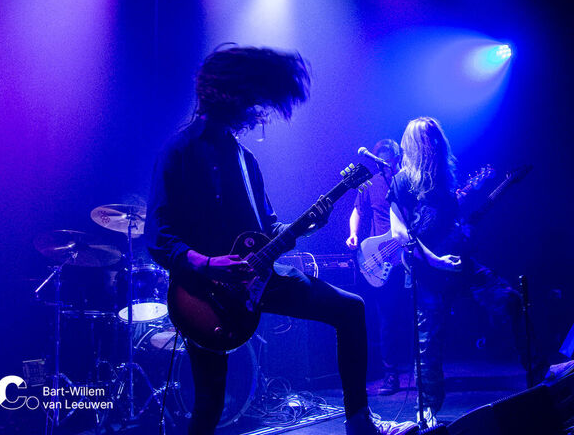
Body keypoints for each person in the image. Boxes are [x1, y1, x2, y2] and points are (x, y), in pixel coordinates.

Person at [146, 46, 418, 435]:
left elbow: (268, 228)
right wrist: (208, 264)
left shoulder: (245, 160)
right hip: (203, 294)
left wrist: (307, 226)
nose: (254, 107)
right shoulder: (178, 153)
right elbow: (158, 236)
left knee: (350, 308)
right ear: (226, 94)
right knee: (210, 402)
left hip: (260, 277)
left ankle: (359, 423)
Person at [388, 117, 547, 428]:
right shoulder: (402, 181)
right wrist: (436, 261)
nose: (434, 144)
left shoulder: (445, 179)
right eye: (427, 139)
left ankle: (541, 376)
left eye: (436, 138)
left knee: (511, 300)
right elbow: (400, 232)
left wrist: (463, 233)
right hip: (428, 271)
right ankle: (427, 410)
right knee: (429, 343)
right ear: (415, 144)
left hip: (462, 264)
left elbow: (452, 222)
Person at [346, 139, 407, 395]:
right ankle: (390, 375)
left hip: (408, 253)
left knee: (414, 313)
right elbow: (357, 211)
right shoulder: (371, 183)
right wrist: (353, 234)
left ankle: (422, 368)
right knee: (387, 319)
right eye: (379, 159)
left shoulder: (407, 180)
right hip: (382, 256)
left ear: (396, 158)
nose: (383, 164)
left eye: (387, 159)